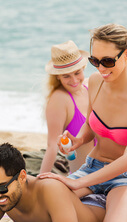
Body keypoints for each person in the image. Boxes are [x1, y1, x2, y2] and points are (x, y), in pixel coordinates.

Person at [37, 23, 127, 222]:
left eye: (107, 61)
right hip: (93, 166)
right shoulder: (96, 83)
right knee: (37, 219)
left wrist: (77, 182)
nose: (100, 69)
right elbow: (91, 123)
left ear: (126, 54)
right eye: (94, 61)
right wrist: (79, 139)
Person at [40, 40, 94, 174]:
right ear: (58, 77)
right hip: (85, 175)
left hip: (108, 166)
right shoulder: (59, 99)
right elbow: (52, 145)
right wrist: (40, 180)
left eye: (77, 73)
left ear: (84, 68)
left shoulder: (91, 86)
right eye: (66, 76)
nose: (74, 80)